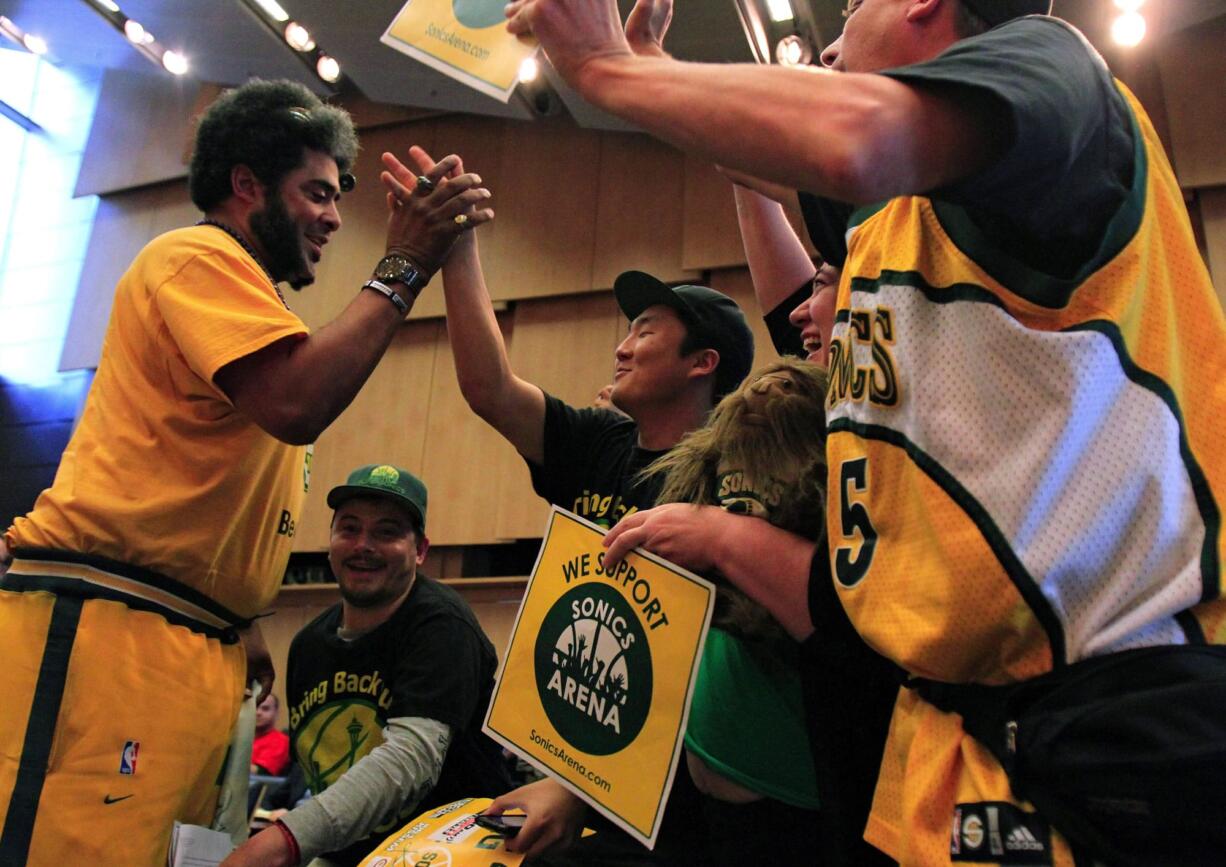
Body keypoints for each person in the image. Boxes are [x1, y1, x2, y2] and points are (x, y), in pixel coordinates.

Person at [512, 0, 1226, 864]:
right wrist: (656, 70)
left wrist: (610, 75)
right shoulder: (893, 221)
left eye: (852, 6)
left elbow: (854, 138)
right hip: (950, 738)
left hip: (1115, 726)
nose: (834, 38)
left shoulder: (1060, 78)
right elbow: (779, 159)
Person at [0, 79, 489, 865]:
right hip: (110, 628)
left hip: (188, 634)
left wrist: (241, 617)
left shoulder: (253, 310)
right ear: (246, 184)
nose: (333, 216)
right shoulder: (195, 255)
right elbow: (296, 401)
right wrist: (405, 263)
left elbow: (199, 483)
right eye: (317, 193)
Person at [389, 144, 804, 864]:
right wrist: (458, 251)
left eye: (645, 330)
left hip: (694, 813)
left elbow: (713, 677)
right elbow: (490, 388)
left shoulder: (734, 491)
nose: (621, 347)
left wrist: (579, 788)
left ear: (702, 363)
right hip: (590, 772)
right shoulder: (601, 442)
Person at [223, 465, 513, 867]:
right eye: (349, 528)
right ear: (330, 543)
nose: (363, 545)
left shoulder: (442, 624)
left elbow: (411, 760)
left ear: (421, 550)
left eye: (387, 532)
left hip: (452, 854)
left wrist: (285, 840)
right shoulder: (308, 645)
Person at [252, 694, 292, 777]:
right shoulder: (239, 739)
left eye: (265, 709)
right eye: (254, 707)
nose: (258, 712)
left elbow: (260, 772)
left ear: (276, 713)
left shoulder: (281, 741)